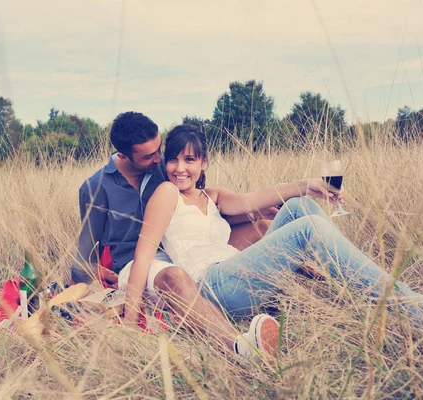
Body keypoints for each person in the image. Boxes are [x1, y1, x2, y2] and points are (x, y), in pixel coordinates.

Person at [122, 123, 423, 361]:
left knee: (299, 207)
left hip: (235, 273)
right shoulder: (166, 194)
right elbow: (144, 253)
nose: (180, 169)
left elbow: (255, 199)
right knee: (307, 229)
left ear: (204, 163)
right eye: (174, 160)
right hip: (210, 285)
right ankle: (419, 312)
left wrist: (306, 186)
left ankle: (358, 290)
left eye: (189, 160)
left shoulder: (213, 196)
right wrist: (129, 318)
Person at [71, 112, 278, 360]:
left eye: (159, 150)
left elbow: (197, 208)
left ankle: (301, 293)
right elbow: (87, 248)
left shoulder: (166, 166)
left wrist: (253, 214)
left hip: (185, 251)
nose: (159, 159)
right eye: (149, 156)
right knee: (174, 275)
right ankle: (238, 348)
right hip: (140, 263)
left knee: (263, 225)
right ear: (124, 156)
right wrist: (89, 287)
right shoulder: (96, 188)